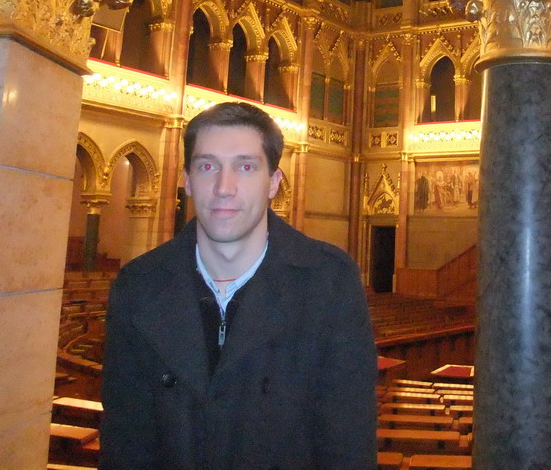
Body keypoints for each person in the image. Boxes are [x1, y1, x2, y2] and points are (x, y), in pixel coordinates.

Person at [99, 101, 377, 470]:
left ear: (274, 183)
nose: (223, 187)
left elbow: (347, 445)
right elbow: (125, 444)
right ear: (186, 180)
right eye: (207, 166)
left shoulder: (329, 283)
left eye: (245, 167)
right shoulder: (137, 287)